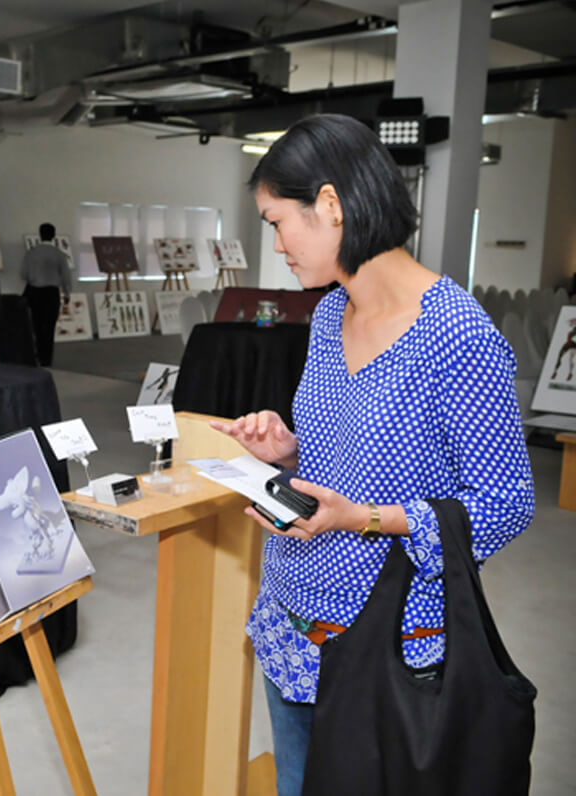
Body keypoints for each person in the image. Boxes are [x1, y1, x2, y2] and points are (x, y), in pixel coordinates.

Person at [210, 114, 533, 796]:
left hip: (389, 645)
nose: (277, 244)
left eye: (276, 221)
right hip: (291, 623)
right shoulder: (330, 314)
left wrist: (364, 518)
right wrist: (290, 450)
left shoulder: (456, 335)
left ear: (330, 205)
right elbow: (349, 452)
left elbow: (505, 505)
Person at [19, 223, 71, 366]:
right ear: (54, 236)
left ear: (39, 234)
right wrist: (67, 294)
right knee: (49, 327)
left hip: (34, 292)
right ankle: (46, 359)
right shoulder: (59, 254)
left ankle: (35, 357)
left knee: (35, 326)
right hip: (51, 293)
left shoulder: (31, 252)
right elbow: (66, 276)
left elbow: (23, 274)